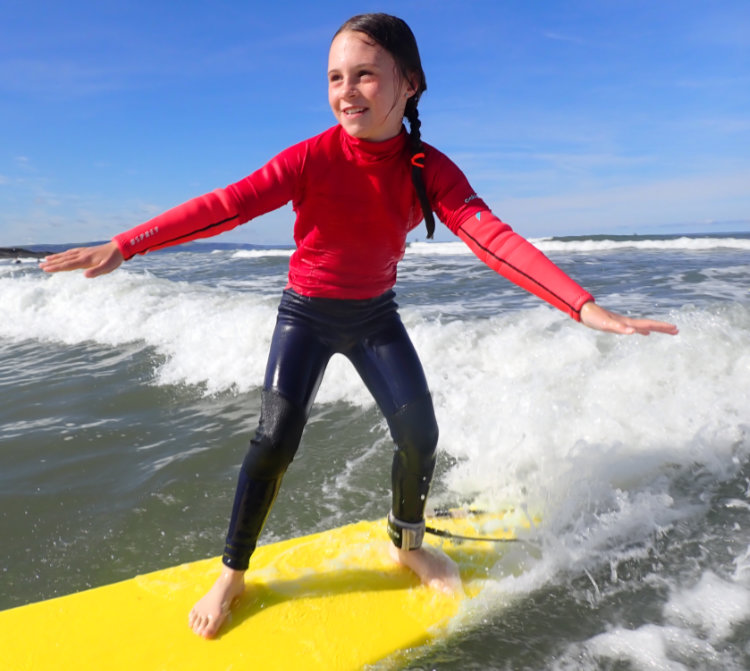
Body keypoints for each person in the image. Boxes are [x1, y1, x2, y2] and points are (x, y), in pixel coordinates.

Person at [40, 13, 678, 639]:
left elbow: (492, 239)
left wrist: (583, 306)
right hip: (307, 313)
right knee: (273, 437)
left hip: (375, 316)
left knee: (419, 434)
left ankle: (408, 545)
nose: (347, 91)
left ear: (410, 84)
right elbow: (227, 206)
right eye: (335, 78)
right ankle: (232, 572)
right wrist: (128, 244)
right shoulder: (312, 158)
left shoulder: (430, 170)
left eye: (366, 75)